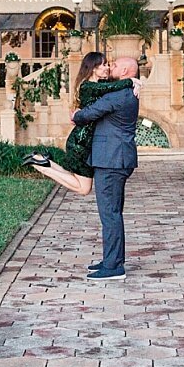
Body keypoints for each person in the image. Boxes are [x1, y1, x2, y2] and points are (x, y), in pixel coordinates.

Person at [23, 52, 141, 281]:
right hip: (113, 159)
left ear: (125, 72)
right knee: (112, 213)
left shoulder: (119, 95)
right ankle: (112, 260)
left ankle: (114, 266)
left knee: (110, 214)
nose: (110, 67)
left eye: (114, 65)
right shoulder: (123, 90)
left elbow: (85, 115)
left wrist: (77, 114)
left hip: (112, 160)